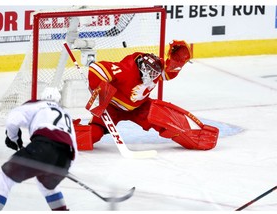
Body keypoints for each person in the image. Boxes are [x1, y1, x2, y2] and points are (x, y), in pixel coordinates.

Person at [75, 40, 219, 151]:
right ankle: (66, 135)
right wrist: (101, 90)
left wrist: (178, 59)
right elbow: (96, 69)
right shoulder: (125, 70)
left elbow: (168, 72)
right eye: (150, 74)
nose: (153, 77)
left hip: (140, 107)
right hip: (112, 108)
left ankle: (194, 138)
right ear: (142, 69)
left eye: (155, 74)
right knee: (93, 134)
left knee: (168, 122)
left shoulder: (154, 68)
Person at [0, 87, 78, 211]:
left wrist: (13, 138)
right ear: (58, 100)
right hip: (65, 156)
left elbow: (12, 121)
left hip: (43, 148)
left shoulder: (36, 105)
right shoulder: (66, 114)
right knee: (47, 187)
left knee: (2, 181)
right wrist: (65, 166)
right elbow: (74, 146)